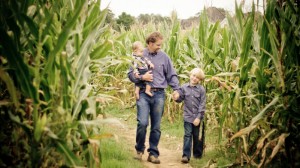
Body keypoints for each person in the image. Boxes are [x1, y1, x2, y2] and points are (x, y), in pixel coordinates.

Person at [127, 31, 180, 164]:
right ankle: (139, 151)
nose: (160, 47)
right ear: (150, 43)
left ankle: (153, 153)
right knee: (142, 123)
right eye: (158, 44)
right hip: (144, 93)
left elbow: (171, 75)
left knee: (156, 126)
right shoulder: (139, 54)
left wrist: (177, 90)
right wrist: (141, 77)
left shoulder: (164, 57)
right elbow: (130, 74)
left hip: (159, 94)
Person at [172, 68, 206, 164]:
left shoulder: (201, 89)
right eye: (193, 76)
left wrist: (198, 117)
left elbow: (202, 105)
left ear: (200, 80)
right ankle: (186, 155)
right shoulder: (184, 87)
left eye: (197, 78)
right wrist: (176, 97)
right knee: (187, 135)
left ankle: (197, 155)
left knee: (196, 136)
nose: (195, 78)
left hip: (197, 118)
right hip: (187, 116)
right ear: (190, 75)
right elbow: (180, 99)